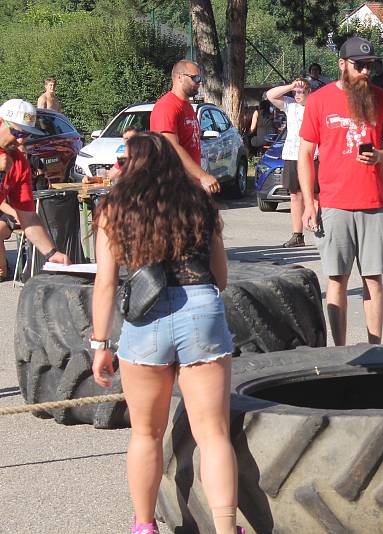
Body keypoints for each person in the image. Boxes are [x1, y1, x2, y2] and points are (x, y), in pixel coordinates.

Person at [90, 132, 242, 534]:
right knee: (213, 434)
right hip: (201, 311)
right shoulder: (200, 204)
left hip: (145, 321)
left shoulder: (113, 208)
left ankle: (145, 526)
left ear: (131, 165)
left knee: (145, 432)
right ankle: (227, 529)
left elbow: (105, 283)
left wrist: (100, 344)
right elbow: (221, 279)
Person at [297, 36, 383, 346]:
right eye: (359, 66)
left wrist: (381, 156)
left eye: (370, 66)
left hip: (373, 203)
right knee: (337, 279)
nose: (366, 72)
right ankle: (340, 350)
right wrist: (309, 203)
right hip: (333, 204)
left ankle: (375, 346)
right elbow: (305, 154)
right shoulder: (319, 101)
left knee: (373, 279)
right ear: (342, 64)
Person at [0, 98, 71, 277]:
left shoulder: (19, 162)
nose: (21, 139)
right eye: (16, 132)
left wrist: (51, 253)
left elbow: (28, 217)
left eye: (27, 134)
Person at [150, 59, 220, 194]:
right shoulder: (167, 106)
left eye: (200, 78)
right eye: (195, 78)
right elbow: (171, 147)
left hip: (188, 185)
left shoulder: (187, 106)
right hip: (171, 184)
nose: (199, 81)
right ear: (180, 78)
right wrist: (203, 176)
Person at [267, 78, 313, 248]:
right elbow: (270, 95)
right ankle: (297, 235)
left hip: (313, 155)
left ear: (309, 92)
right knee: (295, 195)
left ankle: (322, 230)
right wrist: (291, 86)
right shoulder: (290, 104)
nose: (297, 95)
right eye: (295, 92)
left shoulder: (315, 106)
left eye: (301, 91)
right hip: (293, 155)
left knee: (316, 195)